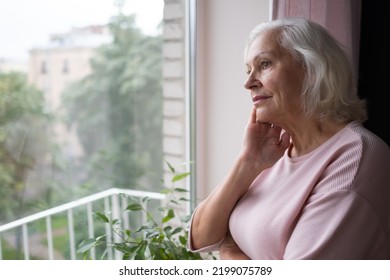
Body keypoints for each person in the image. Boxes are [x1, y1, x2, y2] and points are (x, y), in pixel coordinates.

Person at [187, 17, 390, 260]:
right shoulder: (275, 149)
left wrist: (230, 251)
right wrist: (248, 161)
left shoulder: (355, 159)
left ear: (314, 70)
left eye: (264, 64)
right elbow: (201, 237)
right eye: (248, 70)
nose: (248, 83)